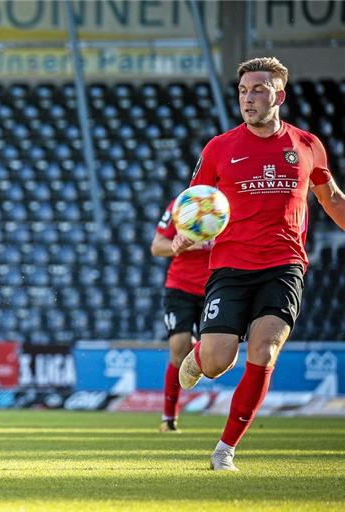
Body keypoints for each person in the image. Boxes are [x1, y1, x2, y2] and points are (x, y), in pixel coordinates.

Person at [172, 57, 345, 471]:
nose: (248, 99)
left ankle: (224, 451)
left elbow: (332, 198)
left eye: (258, 90)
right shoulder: (219, 147)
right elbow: (195, 202)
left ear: (279, 96)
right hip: (230, 267)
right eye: (243, 91)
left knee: (265, 351)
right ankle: (200, 356)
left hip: (285, 265)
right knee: (217, 362)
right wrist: (186, 232)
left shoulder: (306, 145)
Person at [150, 199, 212, 433]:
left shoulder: (234, 203)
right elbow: (157, 247)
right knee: (177, 349)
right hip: (180, 287)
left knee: (213, 353)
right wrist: (181, 245)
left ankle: (197, 347)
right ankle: (169, 418)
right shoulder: (182, 205)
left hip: (217, 286)